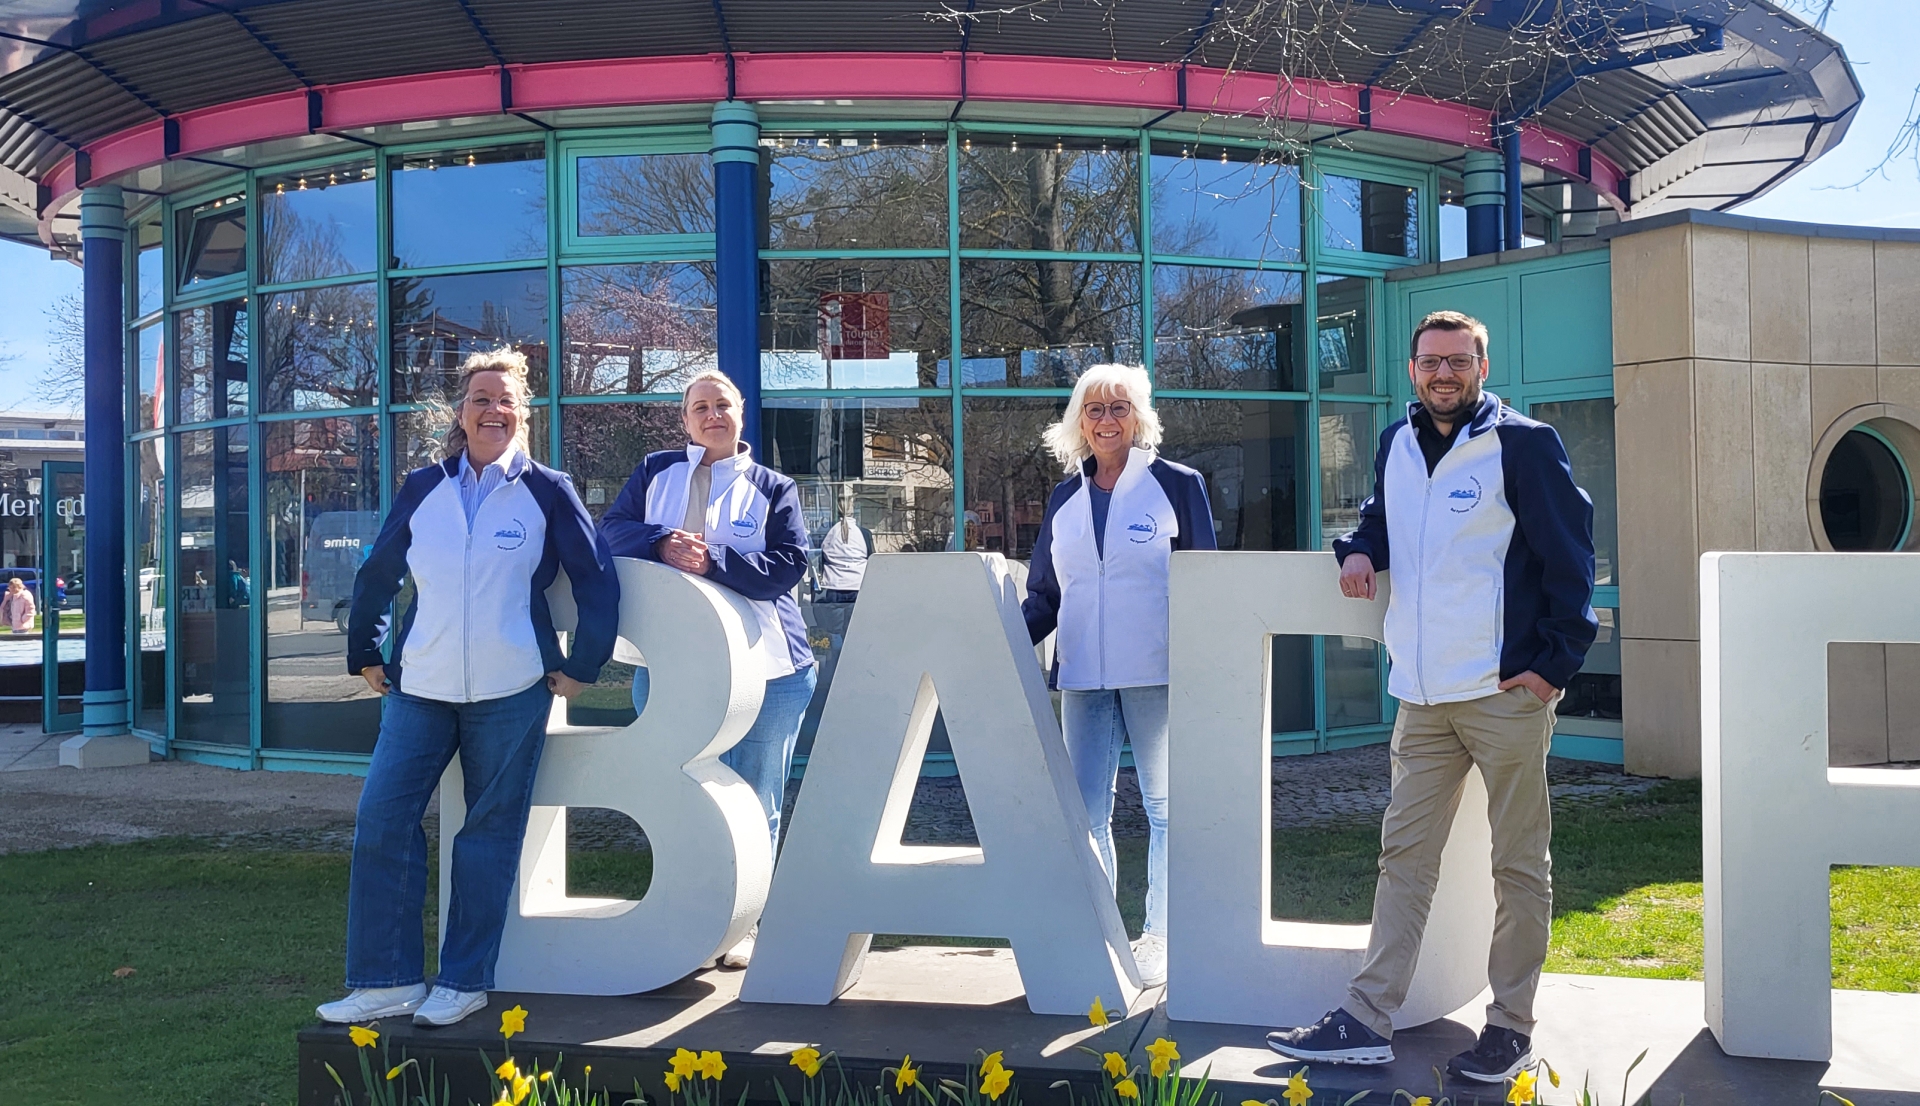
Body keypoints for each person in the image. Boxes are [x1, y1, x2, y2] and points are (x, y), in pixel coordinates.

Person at [1266, 311, 1596, 1083]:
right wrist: (1358, 551)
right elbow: (1385, 520)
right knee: (1403, 859)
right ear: (1413, 370)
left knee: (1518, 866)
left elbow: (1572, 557)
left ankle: (1510, 1027)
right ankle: (1366, 1018)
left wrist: (1552, 668)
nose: (1444, 374)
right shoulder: (1397, 443)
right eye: (1431, 362)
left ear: (1482, 366)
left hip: (1502, 694)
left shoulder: (1523, 443)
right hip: (1420, 697)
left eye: (1458, 361)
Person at [316, 349, 619, 1029]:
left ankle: (463, 980)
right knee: (382, 822)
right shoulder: (424, 486)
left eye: (506, 400)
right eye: (481, 398)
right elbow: (379, 572)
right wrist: (365, 650)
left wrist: (584, 664)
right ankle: (387, 981)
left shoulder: (548, 489)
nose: (493, 410)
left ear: (523, 413)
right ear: (461, 411)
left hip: (512, 690)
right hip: (419, 688)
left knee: (487, 834)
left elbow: (596, 578)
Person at [600, 368, 815, 970]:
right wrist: (660, 542)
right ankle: (691, 917)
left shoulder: (773, 486)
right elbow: (609, 532)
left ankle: (745, 922)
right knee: (680, 793)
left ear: (741, 413)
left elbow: (788, 565)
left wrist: (713, 560)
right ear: (685, 419)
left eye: (723, 405)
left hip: (769, 668)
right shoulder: (654, 472)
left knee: (756, 795)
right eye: (700, 407)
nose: (713, 415)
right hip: (668, 665)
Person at [1021, 363, 1217, 989]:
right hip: (1082, 677)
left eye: (1119, 407)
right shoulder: (1065, 498)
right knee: (1084, 813)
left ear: (1139, 417)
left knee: (1166, 810)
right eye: (1095, 409)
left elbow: (1204, 583)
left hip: (1157, 673)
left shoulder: (1177, 485)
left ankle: (1159, 935)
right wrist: (1001, 640)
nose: (1107, 420)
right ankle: (1099, 935)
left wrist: (1201, 664)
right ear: (1079, 421)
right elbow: (1045, 595)